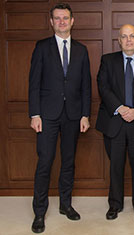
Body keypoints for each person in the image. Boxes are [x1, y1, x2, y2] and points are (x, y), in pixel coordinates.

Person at [28, 2, 91, 233]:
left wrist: (85, 114)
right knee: (45, 163)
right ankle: (39, 212)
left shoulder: (82, 50)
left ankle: (66, 205)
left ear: (72, 21)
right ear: (51, 22)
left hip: (73, 115)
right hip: (47, 115)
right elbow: (33, 84)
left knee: (68, 162)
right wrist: (34, 114)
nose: (62, 22)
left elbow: (86, 86)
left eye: (65, 18)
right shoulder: (42, 47)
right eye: (57, 18)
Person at [95, 24, 134, 221]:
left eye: (132, 36)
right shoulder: (108, 60)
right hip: (114, 121)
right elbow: (103, 86)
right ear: (119, 40)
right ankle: (114, 204)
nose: (129, 40)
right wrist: (121, 109)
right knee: (115, 166)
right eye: (124, 36)